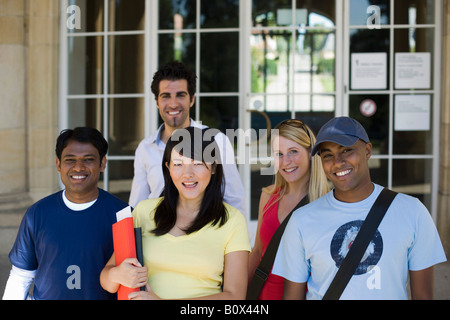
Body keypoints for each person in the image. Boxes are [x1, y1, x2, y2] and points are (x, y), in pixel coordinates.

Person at [272, 116, 447, 300]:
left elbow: (423, 295)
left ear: (368, 150)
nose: (338, 162)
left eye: (347, 150)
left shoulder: (412, 212)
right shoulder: (301, 221)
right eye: (327, 155)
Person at [100, 126, 251, 300]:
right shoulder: (144, 211)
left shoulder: (232, 220)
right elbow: (107, 280)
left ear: (214, 167)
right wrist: (116, 275)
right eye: (178, 164)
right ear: (168, 168)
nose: (188, 174)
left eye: (197, 163)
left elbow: (235, 296)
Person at [3, 127, 129, 300]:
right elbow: (21, 276)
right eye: (70, 160)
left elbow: (131, 278)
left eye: (88, 159)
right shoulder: (37, 213)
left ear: (102, 164)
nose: (78, 167)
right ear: (58, 165)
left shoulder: (123, 215)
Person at [129, 61, 245, 216]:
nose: (173, 103)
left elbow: (234, 201)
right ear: (157, 102)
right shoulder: (145, 148)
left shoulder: (217, 141)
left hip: (207, 235)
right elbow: (137, 206)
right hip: (158, 235)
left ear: (192, 99)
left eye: (180, 95)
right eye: (165, 96)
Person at [248, 119, 330, 300]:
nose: (286, 162)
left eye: (293, 151)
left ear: (310, 153)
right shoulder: (268, 196)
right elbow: (257, 252)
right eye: (279, 154)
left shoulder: (327, 203)